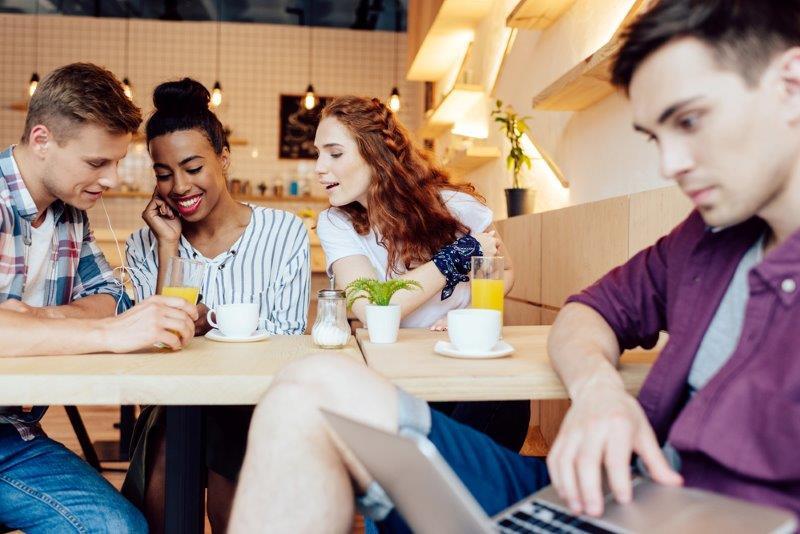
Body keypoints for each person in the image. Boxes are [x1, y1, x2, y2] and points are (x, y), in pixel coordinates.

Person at [228, 0, 800, 531]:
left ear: (790, 84)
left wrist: (477, 287)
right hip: (598, 490)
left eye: (692, 120)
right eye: (657, 136)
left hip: (678, 514)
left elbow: (496, 279)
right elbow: (588, 311)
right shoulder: (706, 240)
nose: (672, 164)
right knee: (308, 387)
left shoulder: (456, 206)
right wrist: (599, 393)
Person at [0, 63, 201, 532]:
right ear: (43, 140)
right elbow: (112, 317)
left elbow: (110, 294)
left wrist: (35, 318)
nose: (111, 179)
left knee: (122, 527)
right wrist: (109, 333)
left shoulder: (69, 211)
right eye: (97, 163)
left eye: (116, 162)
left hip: (14, 434)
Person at [122, 78, 310, 533]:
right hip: (173, 404)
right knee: (166, 477)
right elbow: (155, 348)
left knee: (230, 476)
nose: (179, 186)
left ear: (223, 159)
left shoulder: (284, 232)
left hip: (256, 403)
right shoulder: (144, 245)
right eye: (164, 173)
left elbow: (286, 338)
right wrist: (168, 245)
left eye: (192, 167)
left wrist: (210, 320)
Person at [313, 95, 529, 451]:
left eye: (334, 154)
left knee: (504, 394)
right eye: (318, 153)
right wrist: (453, 259)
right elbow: (373, 309)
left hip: (470, 371)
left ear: (376, 153)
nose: (319, 167)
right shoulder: (337, 224)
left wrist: (476, 310)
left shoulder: (455, 206)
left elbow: (504, 270)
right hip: (401, 384)